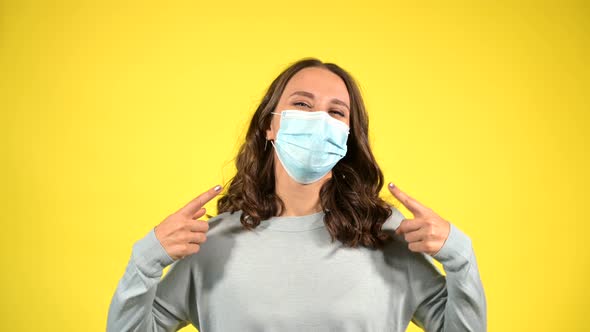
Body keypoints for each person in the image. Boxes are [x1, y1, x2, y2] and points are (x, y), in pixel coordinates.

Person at [106, 58, 487, 331]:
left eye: (336, 113)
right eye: (302, 104)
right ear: (270, 125)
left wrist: (461, 257)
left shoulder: (388, 237)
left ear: (348, 139)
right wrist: (145, 261)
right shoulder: (211, 244)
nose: (319, 119)